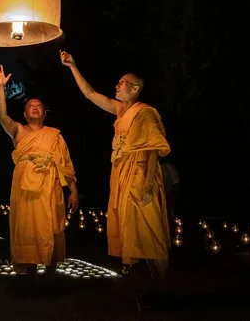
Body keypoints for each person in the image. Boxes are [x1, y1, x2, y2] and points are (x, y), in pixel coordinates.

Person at [60, 50, 171, 283]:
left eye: (122, 83)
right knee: (130, 227)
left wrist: (149, 183)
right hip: (121, 173)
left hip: (140, 172)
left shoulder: (145, 112)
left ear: (135, 88)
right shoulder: (121, 110)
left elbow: (152, 150)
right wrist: (73, 66)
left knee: (150, 229)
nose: (117, 86)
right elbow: (90, 94)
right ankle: (146, 283)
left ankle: (162, 284)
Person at [0, 64, 79, 284]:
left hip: (50, 186)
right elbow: (2, 116)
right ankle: (30, 275)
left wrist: (74, 192)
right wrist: (1, 88)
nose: (35, 108)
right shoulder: (18, 131)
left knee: (51, 226)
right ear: (24, 113)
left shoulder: (54, 136)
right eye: (31, 106)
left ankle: (51, 275)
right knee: (28, 227)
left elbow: (66, 164)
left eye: (39, 106)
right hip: (25, 188)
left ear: (44, 112)